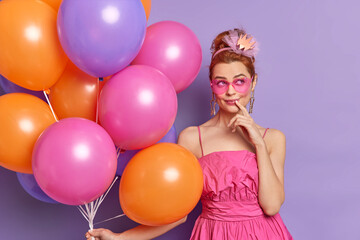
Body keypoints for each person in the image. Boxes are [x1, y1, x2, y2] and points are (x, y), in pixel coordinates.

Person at [85, 28, 293, 240]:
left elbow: (272, 205)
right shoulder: (192, 138)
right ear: (212, 85)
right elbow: (178, 213)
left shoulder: (273, 139)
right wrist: (121, 238)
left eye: (240, 81)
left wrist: (258, 143)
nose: (231, 91)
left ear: (253, 82)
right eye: (222, 82)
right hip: (213, 234)